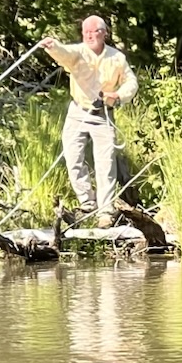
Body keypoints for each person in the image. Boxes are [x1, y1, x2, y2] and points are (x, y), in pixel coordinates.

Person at [41, 15, 138, 228]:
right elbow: (63, 53)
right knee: (73, 157)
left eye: (94, 31)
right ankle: (87, 203)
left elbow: (131, 82)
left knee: (106, 164)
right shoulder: (77, 52)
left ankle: (106, 212)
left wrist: (118, 95)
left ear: (104, 33)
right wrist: (52, 46)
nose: (90, 35)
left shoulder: (117, 58)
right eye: (86, 32)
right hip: (77, 111)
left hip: (103, 115)